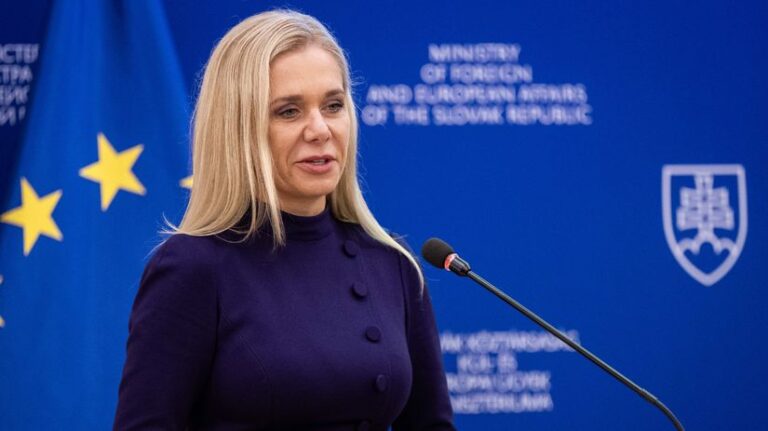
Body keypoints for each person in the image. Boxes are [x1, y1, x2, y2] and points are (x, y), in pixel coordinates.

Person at [113, 9, 455, 431]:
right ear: (239, 128)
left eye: (333, 105)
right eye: (289, 111)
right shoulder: (193, 266)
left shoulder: (392, 262)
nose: (320, 129)